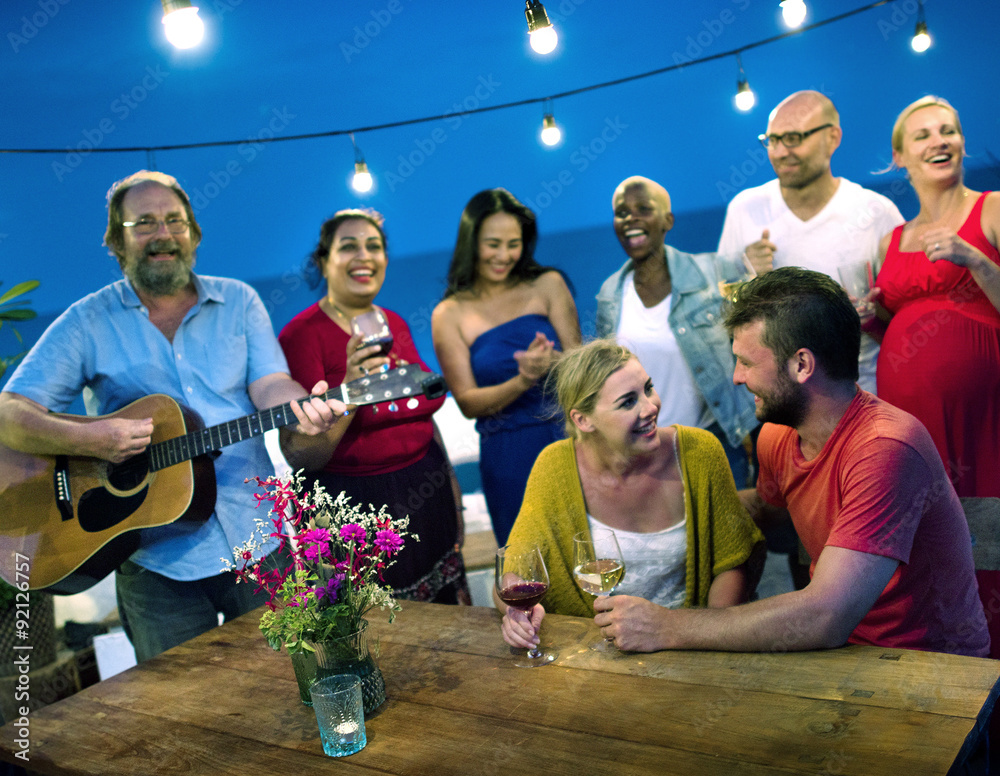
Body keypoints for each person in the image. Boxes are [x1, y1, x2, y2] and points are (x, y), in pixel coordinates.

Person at [0, 170, 346, 662]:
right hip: (153, 562)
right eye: (143, 223)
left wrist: (300, 410)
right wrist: (94, 440)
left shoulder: (240, 301)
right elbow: (10, 413)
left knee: (299, 684)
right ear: (115, 241)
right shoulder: (85, 321)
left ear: (194, 235)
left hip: (260, 539)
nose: (162, 234)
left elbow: (269, 383)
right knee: (182, 722)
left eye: (174, 221)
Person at [589, 267, 989, 657]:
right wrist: (657, 514)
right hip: (844, 653)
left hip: (927, 666)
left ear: (801, 365)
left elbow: (826, 616)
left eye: (746, 361)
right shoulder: (779, 433)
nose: (736, 378)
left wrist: (665, 626)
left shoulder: (886, 448)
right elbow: (770, 508)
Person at [498, 339, 765, 653]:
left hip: (692, 645)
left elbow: (732, 563)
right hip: (594, 656)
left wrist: (701, 637)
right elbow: (516, 567)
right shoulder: (554, 466)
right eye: (627, 402)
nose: (650, 407)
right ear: (583, 419)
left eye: (648, 389)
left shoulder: (699, 452)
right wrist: (517, 612)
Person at [278, 209, 470, 604]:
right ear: (324, 261)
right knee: (378, 635)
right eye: (348, 247)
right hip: (353, 514)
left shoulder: (393, 323)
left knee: (447, 636)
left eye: (374, 246)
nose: (364, 256)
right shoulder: (301, 335)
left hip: (426, 494)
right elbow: (301, 455)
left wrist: (453, 491)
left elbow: (422, 419)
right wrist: (349, 389)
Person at [717, 90, 904, 394]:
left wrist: (866, 311)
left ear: (832, 137)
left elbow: (905, 321)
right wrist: (748, 279)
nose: (779, 152)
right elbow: (724, 314)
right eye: (772, 140)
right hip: (778, 404)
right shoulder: (744, 209)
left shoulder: (878, 213)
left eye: (792, 138)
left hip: (865, 398)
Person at [431, 188, 581, 545]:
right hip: (508, 455)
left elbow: (582, 365)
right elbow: (467, 402)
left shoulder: (549, 284)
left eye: (513, 244)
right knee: (527, 565)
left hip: (569, 437)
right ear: (471, 243)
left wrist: (551, 363)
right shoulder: (448, 314)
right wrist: (523, 379)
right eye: (492, 244)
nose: (503, 256)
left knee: (588, 549)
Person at [874, 96, 1000, 499]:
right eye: (922, 135)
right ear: (899, 157)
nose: (939, 141)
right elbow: (899, 333)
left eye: (948, 131)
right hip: (909, 414)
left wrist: (974, 259)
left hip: (984, 412)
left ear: (962, 143)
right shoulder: (889, 242)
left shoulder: (993, 208)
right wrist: (868, 318)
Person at [596, 176, 758, 486]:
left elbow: (753, 348)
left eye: (643, 208)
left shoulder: (714, 273)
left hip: (715, 445)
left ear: (667, 219)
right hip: (644, 452)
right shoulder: (610, 293)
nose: (630, 218)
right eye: (622, 212)